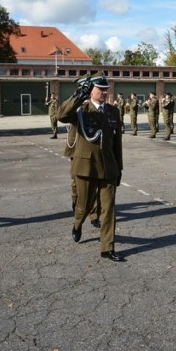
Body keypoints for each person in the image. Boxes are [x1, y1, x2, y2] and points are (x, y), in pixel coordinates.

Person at [57, 73, 125, 261]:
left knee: (109, 208)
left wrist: (119, 168)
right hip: (86, 166)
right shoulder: (81, 109)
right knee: (84, 206)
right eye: (100, 89)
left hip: (108, 167)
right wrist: (79, 95)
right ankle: (77, 224)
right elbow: (61, 115)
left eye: (106, 89)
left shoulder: (113, 111)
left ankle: (107, 248)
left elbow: (117, 142)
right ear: (91, 90)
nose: (104, 92)